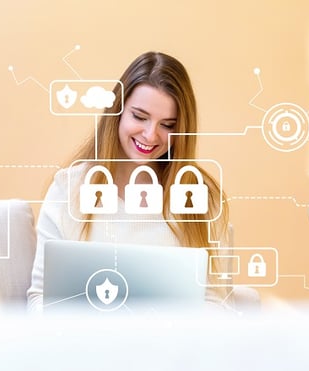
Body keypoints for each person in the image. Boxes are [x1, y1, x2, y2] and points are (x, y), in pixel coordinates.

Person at [27, 51, 230, 312]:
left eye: (168, 125)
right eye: (139, 116)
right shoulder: (70, 188)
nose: (150, 135)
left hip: (170, 349)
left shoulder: (200, 198)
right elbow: (40, 298)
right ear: (118, 112)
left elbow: (216, 303)